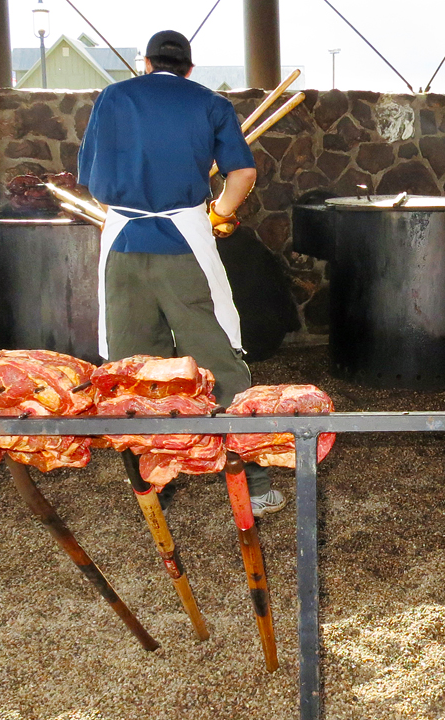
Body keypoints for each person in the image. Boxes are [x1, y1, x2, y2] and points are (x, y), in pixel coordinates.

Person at [78, 30, 286, 516]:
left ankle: (152, 484)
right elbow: (243, 173)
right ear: (188, 68)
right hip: (185, 243)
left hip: (123, 246)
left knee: (134, 370)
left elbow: (93, 185)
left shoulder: (112, 97)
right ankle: (252, 482)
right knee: (218, 357)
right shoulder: (210, 103)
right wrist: (220, 212)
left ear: (147, 63)